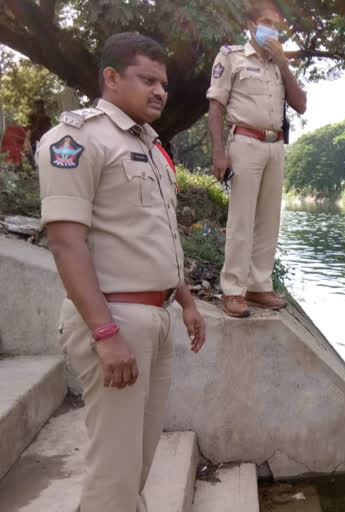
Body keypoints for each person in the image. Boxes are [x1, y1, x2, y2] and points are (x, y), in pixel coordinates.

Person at [36, 32, 206, 512]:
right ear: (110, 78)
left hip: (157, 317)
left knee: (138, 460)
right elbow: (67, 243)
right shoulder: (76, 139)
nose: (160, 91)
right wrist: (104, 332)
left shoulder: (152, 146)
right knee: (115, 469)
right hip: (115, 319)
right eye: (146, 79)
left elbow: (157, 233)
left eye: (164, 83)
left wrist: (187, 302)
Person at [207, 0, 307, 317]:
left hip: (275, 146)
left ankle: (259, 286)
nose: (272, 29)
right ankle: (234, 290)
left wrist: (283, 63)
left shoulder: (279, 64)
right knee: (241, 220)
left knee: (268, 221)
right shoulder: (231, 56)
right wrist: (219, 151)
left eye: (276, 25)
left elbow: (301, 104)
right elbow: (216, 106)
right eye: (266, 22)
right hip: (245, 142)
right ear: (250, 25)